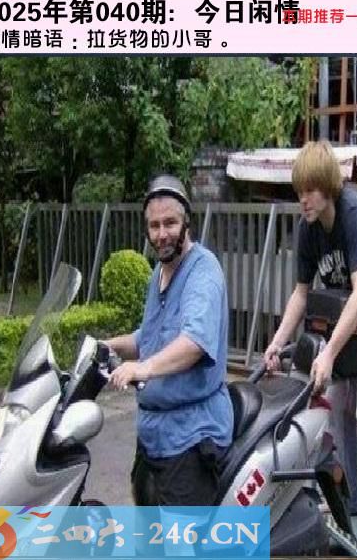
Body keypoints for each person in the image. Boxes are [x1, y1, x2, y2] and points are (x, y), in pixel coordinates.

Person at [263, 141, 357, 555]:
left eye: (309, 190)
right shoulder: (307, 228)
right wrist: (276, 342)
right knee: (338, 410)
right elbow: (301, 293)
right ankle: (355, 499)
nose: (302, 200)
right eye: (298, 191)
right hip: (349, 319)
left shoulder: (353, 214)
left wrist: (327, 353)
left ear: (327, 186)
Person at [106, 174, 233, 506]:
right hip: (154, 435)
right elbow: (152, 335)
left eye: (170, 223)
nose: (162, 234)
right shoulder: (159, 272)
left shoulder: (202, 272)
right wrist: (110, 345)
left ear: (186, 222)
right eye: (154, 225)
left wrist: (142, 368)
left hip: (190, 435)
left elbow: (194, 343)